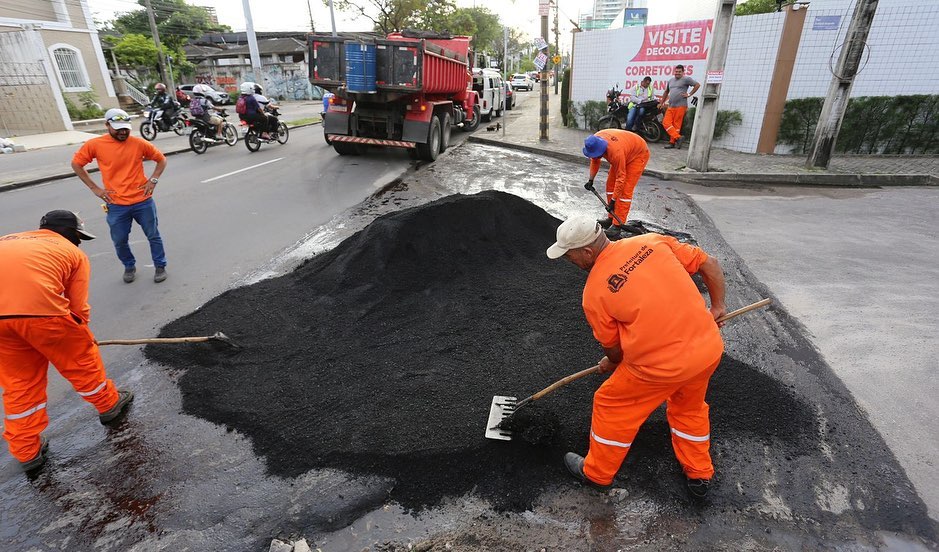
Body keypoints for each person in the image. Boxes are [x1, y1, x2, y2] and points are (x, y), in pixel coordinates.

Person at [546, 215, 727, 499]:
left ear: (587, 252)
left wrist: (613, 362)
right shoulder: (651, 242)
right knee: (688, 408)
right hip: (707, 351)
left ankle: (596, 473)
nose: (569, 261)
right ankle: (699, 473)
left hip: (660, 368)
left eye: (569, 256)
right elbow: (710, 263)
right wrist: (717, 307)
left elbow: (613, 347)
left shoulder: (595, 294)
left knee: (610, 403)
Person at [0, 210, 134, 473]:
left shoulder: (7, 240)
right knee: (82, 363)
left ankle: (27, 451)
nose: (80, 242)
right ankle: (109, 404)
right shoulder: (72, 253)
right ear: (70, 232)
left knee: (20, 383)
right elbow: (78, 307)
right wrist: (83, 336)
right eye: (79, 236)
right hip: (42, 315)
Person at [71, 108, 169, 284]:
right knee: (120, 240)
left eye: (126, 128)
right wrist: (95, 189)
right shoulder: (95, 145)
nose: (123, 132)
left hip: (143, 201)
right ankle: (129, 266)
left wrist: (153, 180)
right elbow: (77, 164)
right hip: (116, 204)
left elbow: (161, 159)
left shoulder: (139, 143)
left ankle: (160, 266)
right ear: (107, 125)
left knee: (153, 235)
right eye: (118, 128)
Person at [583, 129, 650, 232]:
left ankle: (617, 225)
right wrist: (591, 180)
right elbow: (595, 162)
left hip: (638, 154)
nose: (596, 156)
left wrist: (613, 201)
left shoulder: (615, 152)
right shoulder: (595, 142)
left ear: (601, 149)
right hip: (625, 151)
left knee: (625, 191)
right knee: (610, 185)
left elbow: (621, 178)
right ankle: (611, 218)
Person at [658, 65, 700, 149]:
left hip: (681, 105)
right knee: (666, 122)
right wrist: (662, 102)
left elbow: (697, 85)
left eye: (679, 72)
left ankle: (672, 142)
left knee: (676, 125)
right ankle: (678, 137)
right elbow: (666, 92)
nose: (677, 73)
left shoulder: (686, 79)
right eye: (676, 71)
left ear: (683, 72)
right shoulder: (670, 80)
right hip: (671, 105)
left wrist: (689, 94)